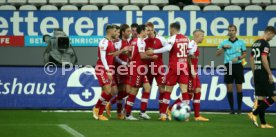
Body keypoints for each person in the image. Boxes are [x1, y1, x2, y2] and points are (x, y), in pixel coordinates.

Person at [147, 22, 190, 121]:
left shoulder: (173, 38)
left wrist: (154, 51)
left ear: (172, 29)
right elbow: (190, 52)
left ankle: (163, 114)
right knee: (184, 91)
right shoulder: (186, 38)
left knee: (168, 91)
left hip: (174, 67)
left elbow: (168, 48)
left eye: (170, 29)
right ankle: (186, 116)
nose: (169, 31)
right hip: (184, 67)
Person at [168, 29, 209, 121]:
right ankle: (170, 109)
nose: (203, 37)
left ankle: (197, 116)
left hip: (194, 71)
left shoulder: (194, 44)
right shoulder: (191, 44)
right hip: (190, 72)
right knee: (189, 93)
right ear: (197, 35)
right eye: (202, 36)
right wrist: (191, 70)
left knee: (197, 90)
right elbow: (187, 57)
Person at [92, 25, 128, 121]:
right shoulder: (103, 42)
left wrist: (124, 61)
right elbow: (103, 58)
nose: (117, 33)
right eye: (115, 31)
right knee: (107, 91)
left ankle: (100, 111)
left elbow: (112, 56)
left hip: (108, 69)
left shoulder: (110, 42)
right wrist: (108, 71)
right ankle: (97, 109)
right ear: (110, 31)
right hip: (102, 69)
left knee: (114, 91)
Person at [124, 25, 158, 120]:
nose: (148, 32)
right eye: (146, 30)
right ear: (142, 31)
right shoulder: (141, 41)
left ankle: (142, 112)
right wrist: (152, 57)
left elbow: (130, 54)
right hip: (137, 69)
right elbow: (142, 56)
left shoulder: (134, 41)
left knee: (147, 88)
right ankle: (127, 114)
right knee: (134, 91)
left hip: (139, 68)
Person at [248, 26, 276, 128]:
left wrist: (254, 73)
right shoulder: (265, 44)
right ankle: (254, 113)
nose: (272, 38)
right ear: (269, 32)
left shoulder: (255, 43)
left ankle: (263, 123)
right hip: (264, 74)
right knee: (274, 97)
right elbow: (264, 58)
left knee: (261, 98)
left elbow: (251, 58)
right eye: (272, 36)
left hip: (257, 73)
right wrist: (269, 73)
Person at [216, 25, 247, 114]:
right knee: (229, 88)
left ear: (236, 31)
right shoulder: (224, 42)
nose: (231, 32)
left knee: (239, 87)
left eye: (233, 30)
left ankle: (239, 109)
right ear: (228, 32)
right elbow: (217, 54)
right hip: (228, 65)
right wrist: (223, 48)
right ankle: (232, 109)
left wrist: (238, 58)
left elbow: (245, 54)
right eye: (229, 30)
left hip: (238, 65)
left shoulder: (241, 42)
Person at [106, 24, 131, 120]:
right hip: (119, 69)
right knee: (125, 90)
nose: (130, 33)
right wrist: (124, 63)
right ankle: (114, 107)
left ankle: (118, 112)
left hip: (126, 68)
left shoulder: (128, 41)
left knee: (124, 91)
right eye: (128, 31)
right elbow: (114, 56)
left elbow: (127, 54)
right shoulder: (118, 42)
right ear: (122, 32)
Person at [144, 22, 167, 114]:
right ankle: (143, 112)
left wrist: (155, 51)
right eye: (147, 30)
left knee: (162, 89)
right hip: (147, 69)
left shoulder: (161, 39)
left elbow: (169, 47)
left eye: (150, 30)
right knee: (146, 89)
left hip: (158, 68)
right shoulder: (143, 40)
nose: (148, 32)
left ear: (153, 29)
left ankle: (162, 112)